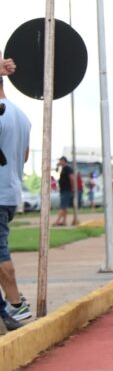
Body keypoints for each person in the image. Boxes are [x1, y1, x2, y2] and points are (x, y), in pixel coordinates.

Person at [0, 75, 32, 327]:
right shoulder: (21, 116)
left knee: (0, 251)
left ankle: (15, 305)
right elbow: (24, 155)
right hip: (11, 191)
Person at [53, 156, 75, 226]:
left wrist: (72, 188)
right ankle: (64, 221)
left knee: (63, 206)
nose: (59, 162)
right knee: (65, 207)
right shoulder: (62, 169)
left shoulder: (67, 169)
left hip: (67, 190)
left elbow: (72, 178)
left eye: (60, 161)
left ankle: (57, 221)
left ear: (63, 161)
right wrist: (57, 166)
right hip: (63, 190)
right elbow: (56, 171)